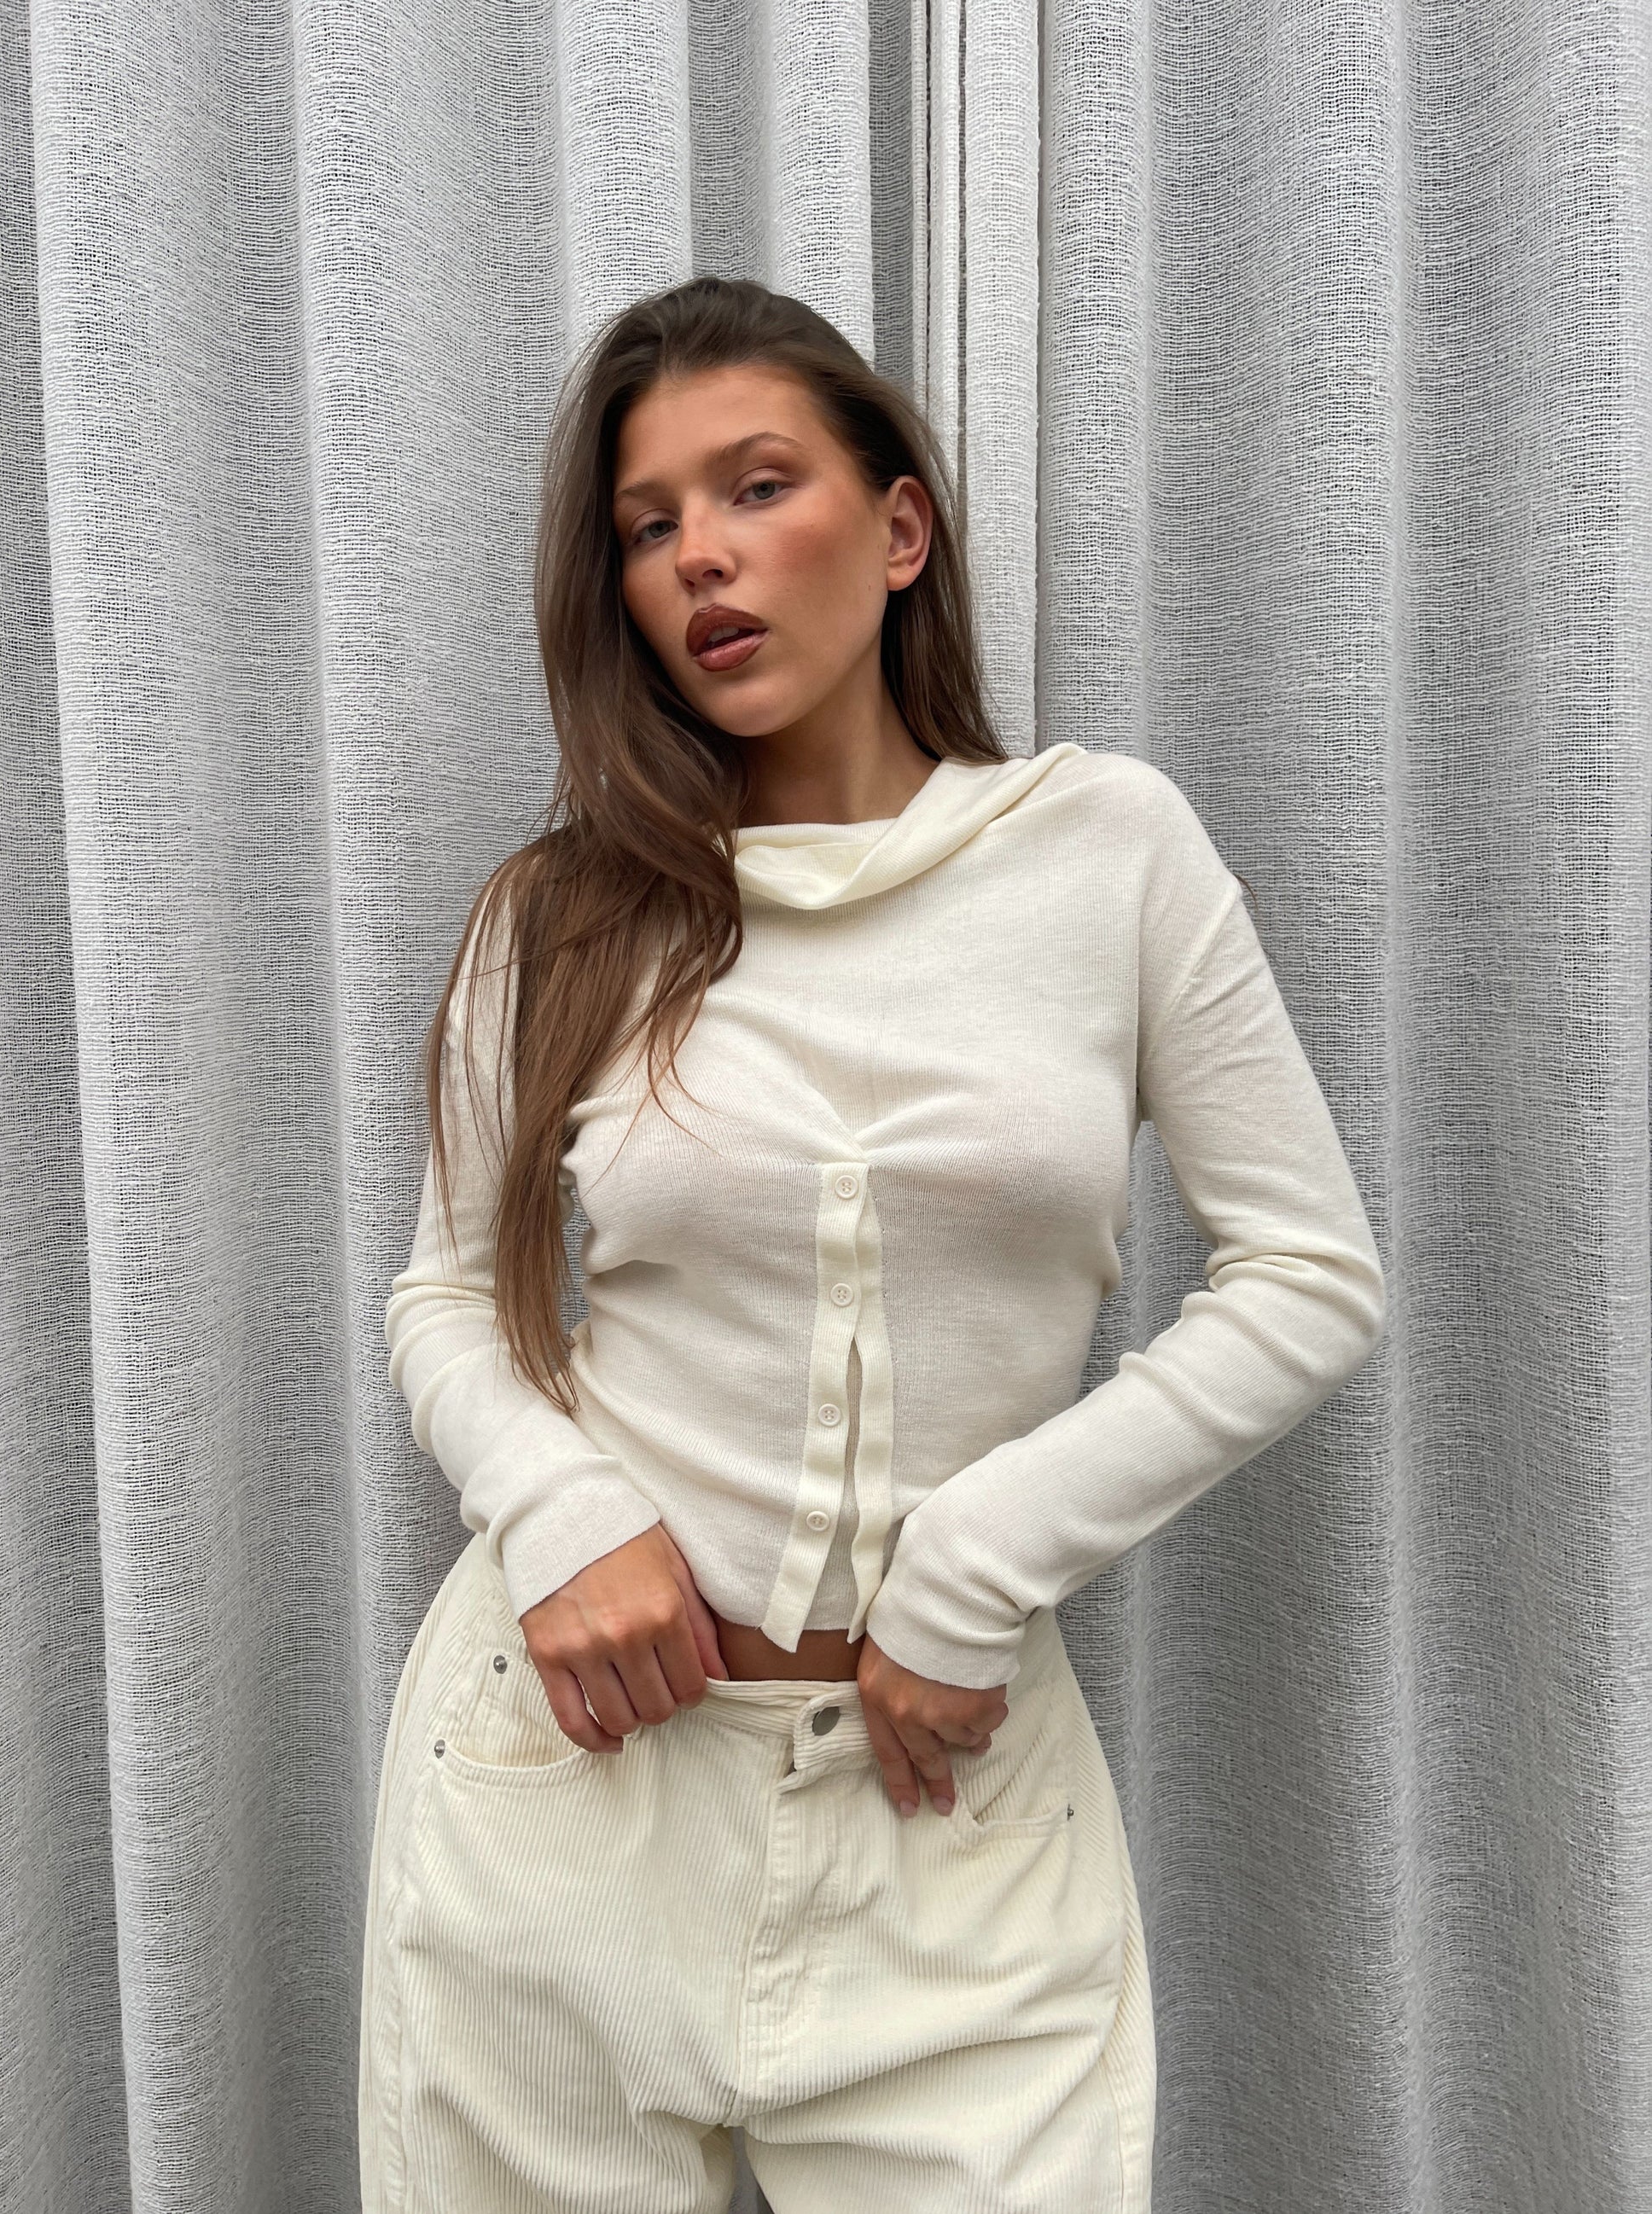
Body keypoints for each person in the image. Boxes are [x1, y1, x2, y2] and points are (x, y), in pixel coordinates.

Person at [358, 274, 1386, 2212]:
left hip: (949, 1810)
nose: (700, 557)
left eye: (757, 487)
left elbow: (1308, 1273)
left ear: (899, 528)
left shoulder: (1108, 851)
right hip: (566, 1788)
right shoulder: (562, 912)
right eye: (647, 526)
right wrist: (556, 1512)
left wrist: (978, 1562)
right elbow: (442, 1293)